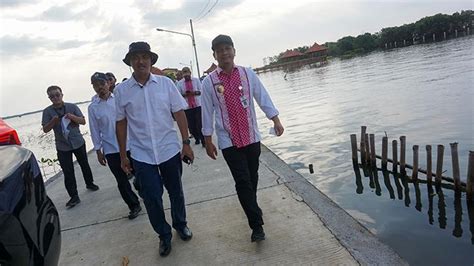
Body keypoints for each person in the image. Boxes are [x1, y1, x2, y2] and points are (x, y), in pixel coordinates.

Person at [201, 35, 284, 242]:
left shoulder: (247, 74)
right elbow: (206, 111)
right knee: (242, 181)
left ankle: (252, 207)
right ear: (214, 55)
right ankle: (256, 226)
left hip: (251, 136)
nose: (224, 53)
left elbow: (262, 96)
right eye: (220, 50)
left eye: (227, 48)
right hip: (228, 141)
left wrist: (275, 119)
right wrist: (207, 139)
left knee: (252, 177)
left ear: (234, 51)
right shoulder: (209, 82)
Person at [114, 41, 194, 257]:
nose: (140, 61)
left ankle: (180, 224)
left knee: (176, 191)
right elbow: (120, 124)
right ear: (130, 62)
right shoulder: (121, 91)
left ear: (150, 60)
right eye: (136, 57)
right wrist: (123, 156)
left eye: (144, 57)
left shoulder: (166, 85)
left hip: (169, 149)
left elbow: (179, 113)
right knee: (151, 198)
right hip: (142, 154)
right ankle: (164, 235)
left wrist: (186, 144)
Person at [88, 72, 142, 219]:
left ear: (108, 83)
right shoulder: (93, 107)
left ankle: (143, 190)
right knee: (121, 180)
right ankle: (134, 205)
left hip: (130, 144)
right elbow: (94, 130)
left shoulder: (118, 99)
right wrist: (98, 150)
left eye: (102, 84)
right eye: (96, 85)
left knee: (140, 174)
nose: (100, 88)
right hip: (111, 149)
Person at [41, 85, 99, 208]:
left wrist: (72, 117)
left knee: (84, 164)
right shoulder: (47, 112)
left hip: (77, 141)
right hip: (62, 146)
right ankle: (74, 196)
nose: (55, 98)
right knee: (68, 172)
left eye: (57, 95)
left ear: (62, 94)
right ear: (49, 98)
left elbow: (83, 121)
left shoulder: (72, 107)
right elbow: (45, 129)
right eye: (52, 96)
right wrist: (53, 122)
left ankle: (90, 183)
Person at [176, 67, 205, 146]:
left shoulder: (196, 80)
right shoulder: (180, 83)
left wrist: (195, 92)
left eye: (188, 75)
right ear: (183, 75)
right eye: (185, 76)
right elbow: (178, 95)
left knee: (200, 124)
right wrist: (185, 94)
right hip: (187, 107)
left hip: (197, 105)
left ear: (190, 73)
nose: (187, 77)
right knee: (191, 125)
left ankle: (203, 140)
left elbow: (202, 90)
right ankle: (196, 138)